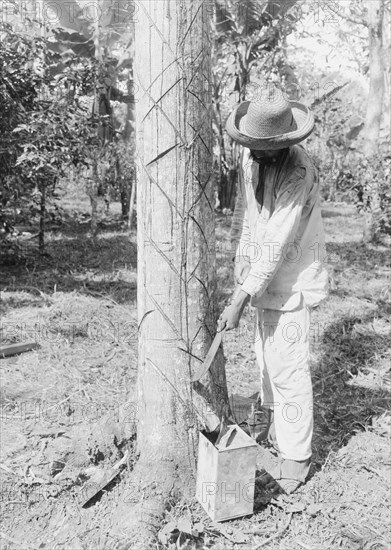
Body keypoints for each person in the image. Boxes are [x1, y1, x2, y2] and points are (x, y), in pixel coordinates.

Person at [217, 85, 328, 494]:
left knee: (289, 369)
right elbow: (250, 215)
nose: (256, 152)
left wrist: (239, 297)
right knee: (266, 360)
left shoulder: (299, 172)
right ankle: (272, 431)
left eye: (264, 148)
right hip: (261, 278)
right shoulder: (251, 158)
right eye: (252, 145)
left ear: (284, 142)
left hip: (293, 276)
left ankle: (296, 459)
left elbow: (278, 240)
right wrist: (241, 261)